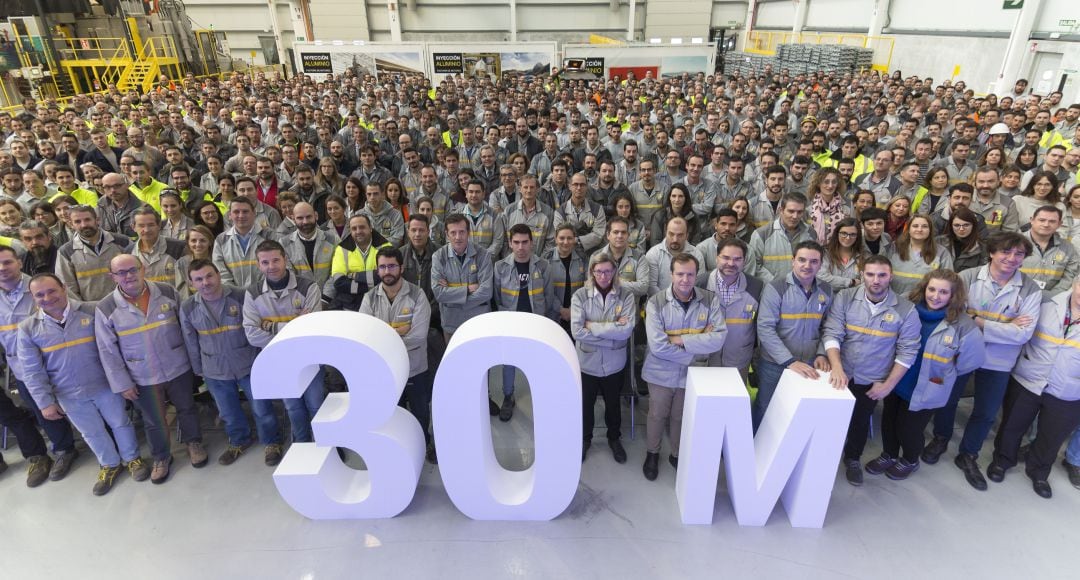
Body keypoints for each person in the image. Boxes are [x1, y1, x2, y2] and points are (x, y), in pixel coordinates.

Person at [924, 232, 1043, 491]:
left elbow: (1023, 334)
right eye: (1005, 252)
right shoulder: (967, 277)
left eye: (1019, 254)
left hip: (999, 361)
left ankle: (968, 454)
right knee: (947, 400)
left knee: (986, 412)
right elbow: (954, 315)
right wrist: (1004, 324)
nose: (1012, 258)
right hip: (960, 353)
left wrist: (978, 320)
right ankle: (941, 437)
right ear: (991, 252)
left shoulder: (1030, 288)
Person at [17, 273, 150, 495]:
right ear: (32, 298)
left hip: (105, 386)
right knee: (91, 432)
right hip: (68, 394)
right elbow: (32, 371)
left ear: (64, 287)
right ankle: (109, 464)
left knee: (120, 423)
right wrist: (44, 402)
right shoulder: (28, 328)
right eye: (39, 295)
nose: (47, 297)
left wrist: (123, 381)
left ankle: (132, 459)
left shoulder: (93, 310)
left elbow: (114, 347)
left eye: (52, 290)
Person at [862, 270, 984, 481]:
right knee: (889, 422)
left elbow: (970, 362)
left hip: (928, 387)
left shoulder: (963, 325)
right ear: (924, 288)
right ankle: (889, 455)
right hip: (897, 380)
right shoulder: (907, 309)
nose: (936, 296)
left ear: (953, 295)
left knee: (908, 429)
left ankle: (910, 459)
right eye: (932, 289)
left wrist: (942, 374)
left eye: (944, 292)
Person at [95, 254, 205, 485]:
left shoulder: (167, 291)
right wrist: (122, 383)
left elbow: (186, 329)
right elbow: (107, 351)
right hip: (142, 376)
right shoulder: (106, 307)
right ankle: (162, 457)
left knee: (186, 408)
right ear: (112, 276)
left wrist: (195, 364)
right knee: (154, 420)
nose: (129, 276)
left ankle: (193, 443)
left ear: (142, 269)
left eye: (133, 270)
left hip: (178, 366)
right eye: (121, 273)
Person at [823, 254, 921, 486]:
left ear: (891, 276)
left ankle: (853, 458)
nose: (875, 280)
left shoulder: (906, 310)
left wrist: (887, 385)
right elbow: (832, 332)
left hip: (872, 379)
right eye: (870, 274)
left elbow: (907, 352)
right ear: (861, 275)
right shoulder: (845, 298)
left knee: (859, 420)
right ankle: (823, 457)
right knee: (829, 419)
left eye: (882, 275)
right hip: (840, 373)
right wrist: (836, 368)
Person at [180, 259, 285, 466]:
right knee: (228, 411)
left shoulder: (240, 295)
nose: (205, 282)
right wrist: (199, 370)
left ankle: (272, 442)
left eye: (209, 276)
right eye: (198, 279)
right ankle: (238, 441)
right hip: (214, 369)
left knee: (261, 407)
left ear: (218, 275)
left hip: (248, 363)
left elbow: (255, 329)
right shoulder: (188, 307)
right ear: (192, 284)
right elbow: (190, 341)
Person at [989, 275, 1080, 498]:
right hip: (1028, 377)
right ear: (1075, 285)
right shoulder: (1046, 302)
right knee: (1012, 425)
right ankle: (1002, 461)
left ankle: (1039, 473)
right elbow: (1021, 330)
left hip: (1068, 389)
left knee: (1052, 436)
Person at [641, 252, 727, 480]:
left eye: (690, 274)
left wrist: (680, 340)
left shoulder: (710, 300)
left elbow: (719, 338)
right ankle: (652, 452)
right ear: (671, 274)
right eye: (680, 274)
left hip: (692, 375)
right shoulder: (656, 302)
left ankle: (677, 454)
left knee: (681, 415)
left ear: (696, 275)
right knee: (657, 414)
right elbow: (658, 347)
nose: (685, 280)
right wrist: (697, 348)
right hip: (660, 372)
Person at [243, 240, 326, 445]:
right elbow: (252, 335)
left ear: (285, 259)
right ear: (258, 265)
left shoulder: (308, 286)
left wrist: (270, 326)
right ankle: (302, 444)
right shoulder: (252, 293)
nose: (271, 267)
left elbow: (312, 328)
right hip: (278, 361)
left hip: (309, 357)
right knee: (292, 407)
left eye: (276, 260)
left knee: (316, 404)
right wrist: (296, 323)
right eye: (265, 262)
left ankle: (325, 444)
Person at [359, 247, 437, 464]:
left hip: (415, 368)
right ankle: (400, 450)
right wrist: (401, 330)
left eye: (392, 265)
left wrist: (384, 334)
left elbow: (419, 336)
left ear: (401, 267)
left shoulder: (417, 295)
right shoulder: (369, 298)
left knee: (420, 412)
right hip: (385, 371)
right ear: (377, 270)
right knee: (393, 414)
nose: (387, 271)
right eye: (382, 267)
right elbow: (367, 336)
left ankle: (423, 443)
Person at [753, 240, 833, 429]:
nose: (807, 266)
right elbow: (765, 328)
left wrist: (822, 353)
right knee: (767, 407)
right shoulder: (776, 288)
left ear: (820, 264)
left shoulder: (826, 290)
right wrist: (789, 361)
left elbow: (828, 327)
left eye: (814, 261)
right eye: (802, 260)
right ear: (793, 261)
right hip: (774, 364)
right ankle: (756, 449)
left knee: (798, 411)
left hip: (810, 363)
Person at [571, 252, 637, 463]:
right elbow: (577, 331)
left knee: (613, 404)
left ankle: (614, 438)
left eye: (608, 271)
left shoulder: (626, 295)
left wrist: (594, 326)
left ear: (615, 272)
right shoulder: (580, 296)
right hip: (587, 363)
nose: (604, 276)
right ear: (592, 272)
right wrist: (612, 332)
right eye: (599, 271)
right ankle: (584, 439)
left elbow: (626, 331)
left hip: (614, 364)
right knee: (585, 405)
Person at [490, 224, 557, 421]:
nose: (521, 247)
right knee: (508, 363)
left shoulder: (544, 266)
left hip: (536, 325)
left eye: (525, 242)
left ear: (532, 242)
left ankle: (541, 397)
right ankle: (508, 397)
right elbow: (496, 298)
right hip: (511, 325)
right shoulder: (500, 267)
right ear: (510, 243)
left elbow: (549, 297)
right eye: (516, 242)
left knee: (537, 363)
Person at [705, 238, 763, 381]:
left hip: (739, 361)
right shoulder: (700, 284)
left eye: (737, 259)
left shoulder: (756, 287)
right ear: (716, 257)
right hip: (705, 361)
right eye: (726, 257)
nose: (731, 263)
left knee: (735, 402)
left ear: (744, 261)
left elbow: (760, 326)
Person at [431, 213, 494, 339]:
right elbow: (439, 293)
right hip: (451, 325)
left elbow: (486, 292)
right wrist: (467, 290)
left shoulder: (483, 255)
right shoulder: (438, 257)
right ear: (447, 234)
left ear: (468, 232)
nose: (458, 237)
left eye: (462, 232)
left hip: (479, 323)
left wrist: (453, 301)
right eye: (453, 233)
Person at [55, 204, 133, 303]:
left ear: (97, 220)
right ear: (71, 224)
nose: (84, 225)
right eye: (77, 221)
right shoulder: (66, 252)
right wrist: (83, 309)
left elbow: (137, 272)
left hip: (126, 303)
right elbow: (68, 288)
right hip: (91, 309)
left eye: (87, 220)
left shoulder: (122, 242)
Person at [327, 213, 392, 311]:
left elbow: (387, 276)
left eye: (362, 227)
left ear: (370, 228)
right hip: (350, 306)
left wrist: (354, 276)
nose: (358, 231)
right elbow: (339, 283)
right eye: (354, 228)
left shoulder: (385, 246)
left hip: (379, 304)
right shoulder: (341, 249)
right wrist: (371, 285)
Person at [746, 193, 814, 283]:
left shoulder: (810, 233)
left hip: (802, 288)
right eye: (791, 211)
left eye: (799, 212)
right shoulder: (761, 234)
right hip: (772, 290)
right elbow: (755, 265)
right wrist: (776, 283)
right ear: (781, 210)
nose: (795, 216)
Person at [212, 196, 276, 289]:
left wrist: (260, 292)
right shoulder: (221, 240)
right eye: (236, 212)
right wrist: (235, 293)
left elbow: (274, 268)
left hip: (265, 294)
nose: (241, 216)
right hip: (233, 296)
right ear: (229, 215)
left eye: (245, 211)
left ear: (254, 213)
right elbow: (221, 273)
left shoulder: (269, 236)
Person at [1020, 206, 1079, 297]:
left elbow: (1070, 276)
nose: (1046, 224)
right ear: (1032, 220)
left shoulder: (1068, 248)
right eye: (1042, 220)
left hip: (1052, 300)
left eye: (1052, 221)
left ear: (1059, 224)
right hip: (1015, 296)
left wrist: (1051, 296)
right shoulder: (1014, 242)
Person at [887, 214, 953, 295]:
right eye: (915, 226)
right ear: (908, 229)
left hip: (926, 303)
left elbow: (948, 280)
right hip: (894, 300)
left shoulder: (942, 252)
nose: (920, 229)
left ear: (930, 230)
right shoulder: (894, 247)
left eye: (924, 226)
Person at [281, 201, 339, 290]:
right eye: (300, 218)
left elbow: (337, 272)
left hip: (329, 299)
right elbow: (289, 275)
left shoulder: (333, 240)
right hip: (301, 298)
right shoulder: (284, 244)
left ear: (316, 216)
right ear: (293, 219)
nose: (305, 222)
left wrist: (326, 298)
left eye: (308, 217)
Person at [132, 205, 186, 290]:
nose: (146, 230)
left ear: (159, 225)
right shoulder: (129, 252)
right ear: (133, 227)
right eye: (141, 226)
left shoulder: (178, 248)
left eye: (151, 225)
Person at [555, 172, 607, 256]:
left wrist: (576, 240)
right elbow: (560, 237)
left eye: (582, 185)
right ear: (570, 186)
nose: (579, 188)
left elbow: (598, 235)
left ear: (587, 187)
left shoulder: (597, 209)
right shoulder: (560, 211)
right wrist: (587, 237)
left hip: (592, 255)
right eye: (575, 184)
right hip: (568, 255)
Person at [819, 218, 866, 290]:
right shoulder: (825, 253)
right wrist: (851, 282)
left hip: (853, 299)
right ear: (837, 233)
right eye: (844, 233)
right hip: (828, 298)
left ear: (857, 237)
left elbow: (864, 283)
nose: (848, 238)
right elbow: (821, 277)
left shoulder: (863, 255)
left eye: (852, 234)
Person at [938, 208, 987, 272]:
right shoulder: (939, 242)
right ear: (951, 226)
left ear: (973, 225)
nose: (961, 229)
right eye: (957, 225)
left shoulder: (982, 248)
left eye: (966, 225)